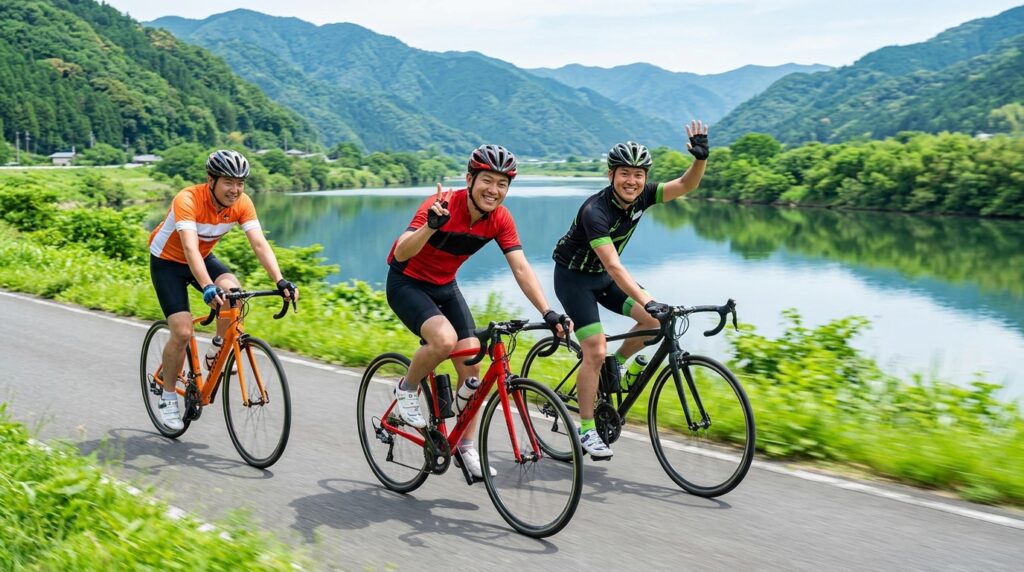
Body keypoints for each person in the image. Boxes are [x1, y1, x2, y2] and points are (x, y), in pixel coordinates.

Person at [385, 144, 568, 478]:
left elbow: (521, 268)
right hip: (407, 283)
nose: (494, 190)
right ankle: (406, 388)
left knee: (472, 367)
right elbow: (400, 252)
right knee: (443, 340)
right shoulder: (441, 205)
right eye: (487, 180)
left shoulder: (500, 219)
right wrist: (431, 226)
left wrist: (548, 312)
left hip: (445, 285)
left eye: (502, 184)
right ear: (469, 179)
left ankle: (465, 447)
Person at [551, 120, 710, 459]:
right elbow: (613, 265)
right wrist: (649, 299)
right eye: (625, 173)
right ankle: (586, 429)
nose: (632, 181)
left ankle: (619, 365)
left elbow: (686, 184)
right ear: (611, 175)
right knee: (595, 350)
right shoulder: (595, 211)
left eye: (639, 175)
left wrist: (700, 159)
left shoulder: (643, 196)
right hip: (574, 280)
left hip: (604, 279)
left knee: (654, 323)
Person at [148, 149, 298, 431]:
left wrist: (280, 280)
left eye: (240, 183)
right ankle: (167, 398)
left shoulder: (242, 203)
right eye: (228, 182)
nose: (235, 189)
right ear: (211, 180)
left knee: (233, 295)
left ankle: (216, 348)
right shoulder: (188, 199)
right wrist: (206, 285)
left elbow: (259, 243)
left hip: (203, 257)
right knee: (182, 332)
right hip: (168, 262)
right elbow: (189, 248)